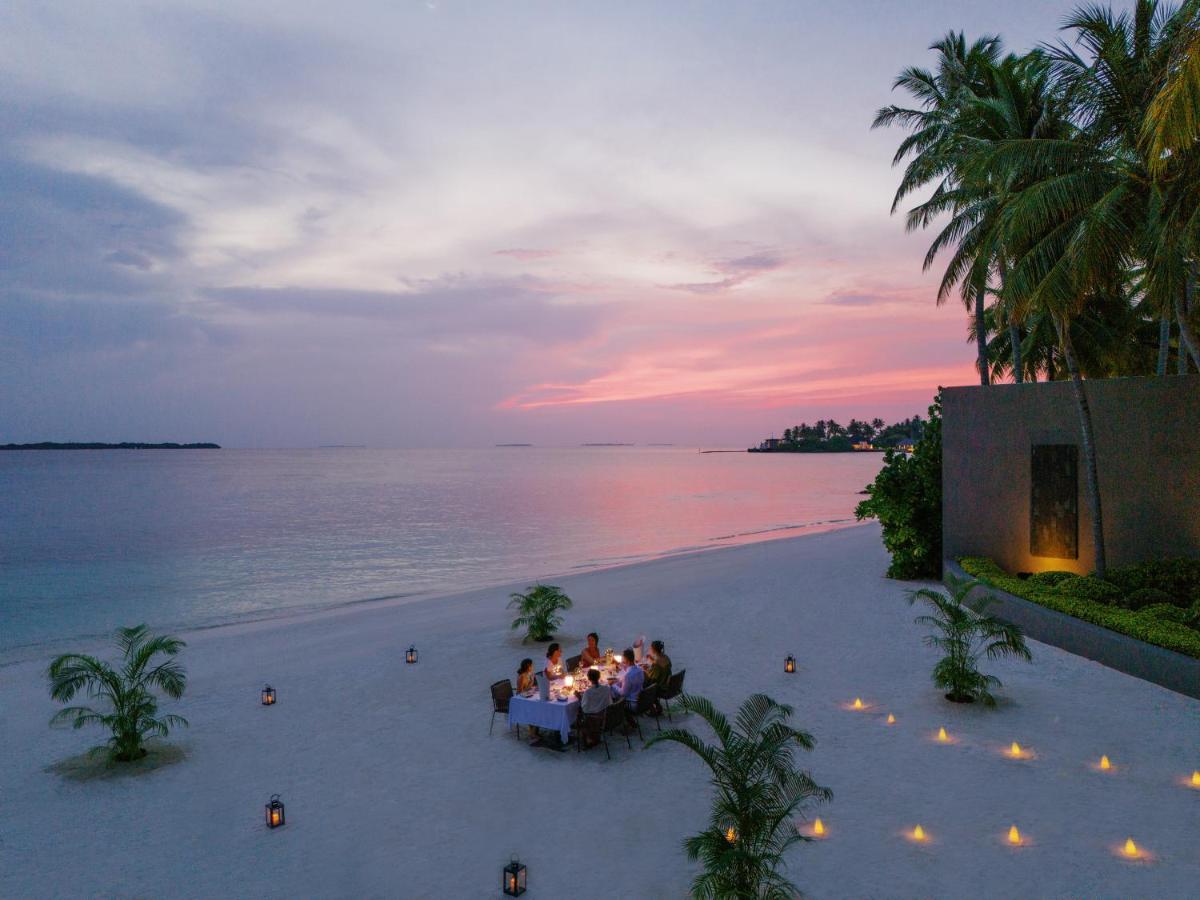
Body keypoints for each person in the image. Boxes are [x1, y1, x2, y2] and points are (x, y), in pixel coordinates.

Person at [578, 667, 612, 748]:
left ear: (589, 679)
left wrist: (579, 698)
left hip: (594, 718)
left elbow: (584, 708)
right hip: (604, 715)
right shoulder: (606, 688)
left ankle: (588, 738)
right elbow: (609, 702)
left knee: (578, 712)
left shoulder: (588, 692)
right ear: (599, 677)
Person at [612, 648, 644, 712]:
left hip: (631, 703)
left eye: (623, 659)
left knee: (611, 691)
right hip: (640, 699)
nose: (622, 660)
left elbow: (622, 693)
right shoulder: (640, 669)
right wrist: (624, 667)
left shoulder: (627, 676)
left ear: (627, 660)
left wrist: (612, 684)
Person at [645, 640, 672, 716]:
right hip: (666, 682)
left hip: (660, 686)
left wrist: (645, 670)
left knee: (643, 686)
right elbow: (662, 664)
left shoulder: (656, 664)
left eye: (650, 648)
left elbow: (651, 677)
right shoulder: (666, 658)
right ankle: (658, 706)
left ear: (653, 649)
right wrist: (652, 660)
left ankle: (652, 709)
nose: (650, 649)